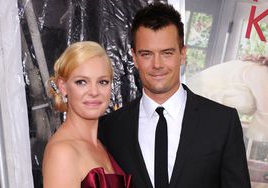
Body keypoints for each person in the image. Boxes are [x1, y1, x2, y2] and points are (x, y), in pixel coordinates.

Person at [99, 2, 251, 188]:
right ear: (134, 57)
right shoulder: (111, 128)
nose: (157, 64)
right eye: (146, 54)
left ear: (183, 54)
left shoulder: (222, 122)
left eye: (167, 53)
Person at [42, 41, 132, 188]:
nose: (94, 92)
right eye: (82, 82)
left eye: (102, 82)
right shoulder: (63, 153)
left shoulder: (102, 145)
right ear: (63, 87)